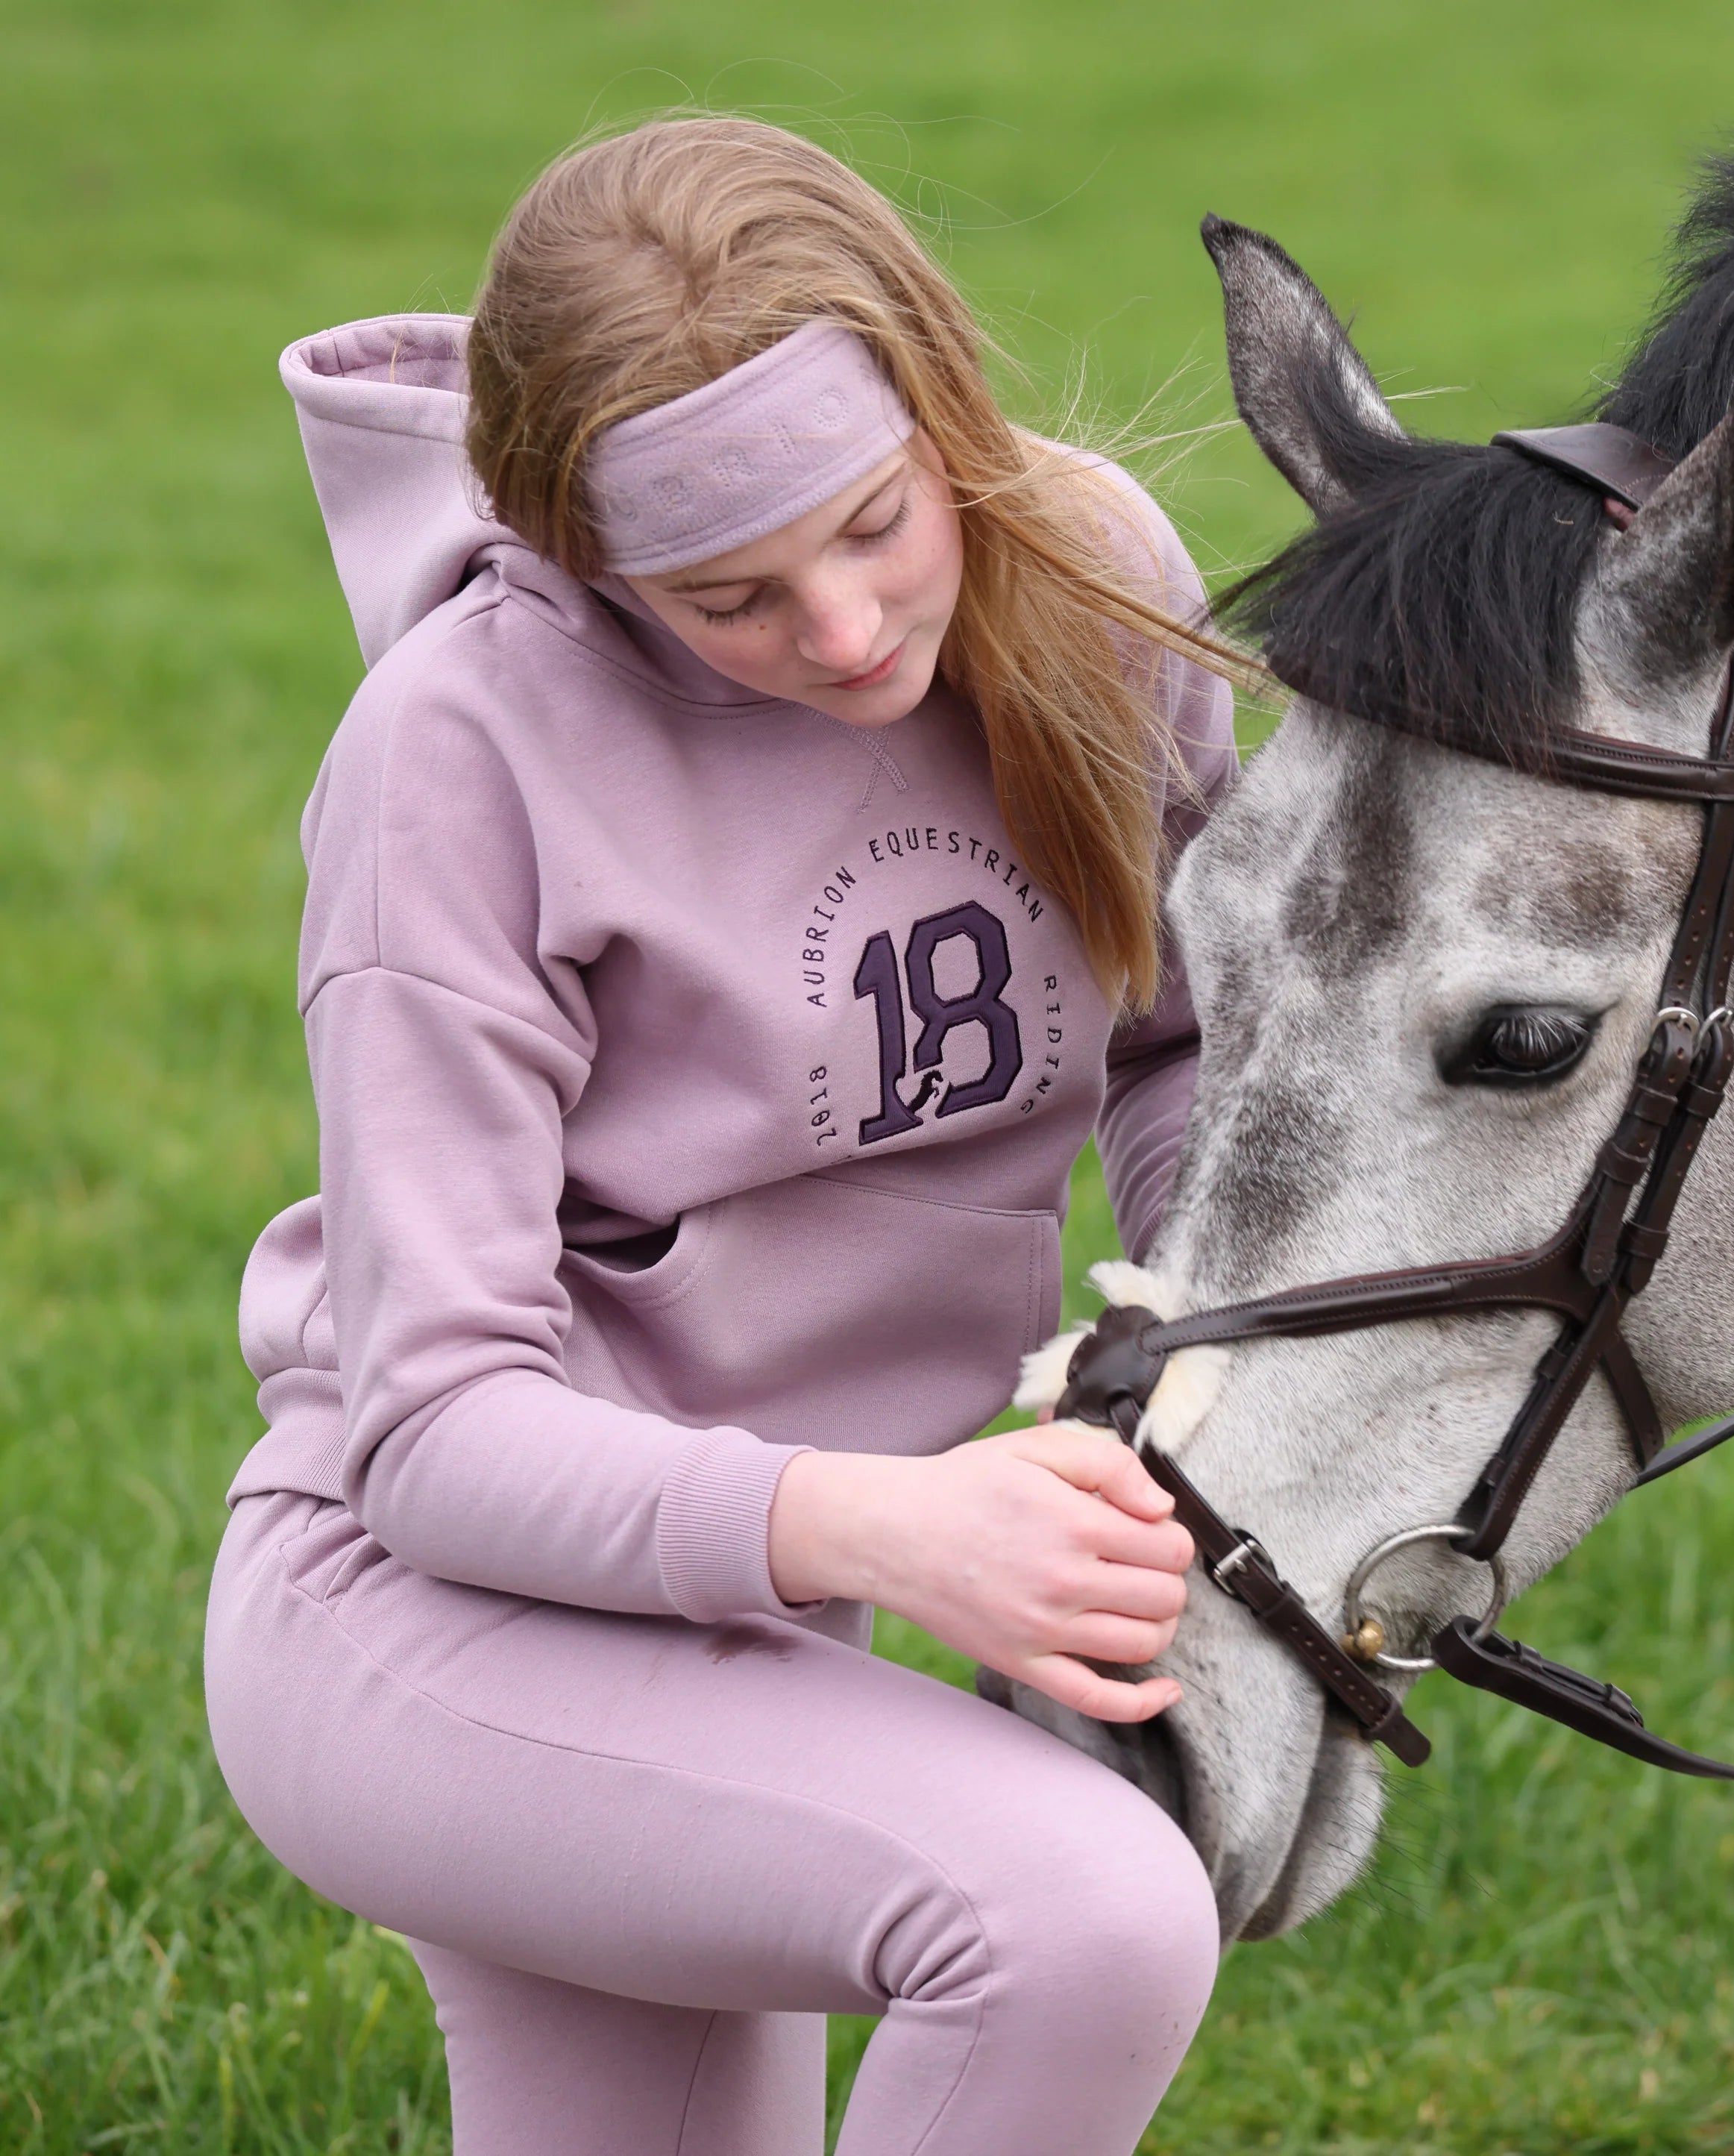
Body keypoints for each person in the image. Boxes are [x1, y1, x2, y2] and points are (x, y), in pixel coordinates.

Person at [203, 115, 1242, 2156]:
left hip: (738, 1628)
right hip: (438, 1624)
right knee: (1076, 1917)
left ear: (941, 409)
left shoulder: (1091, 582)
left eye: (875, 525)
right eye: (727, 594)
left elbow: (1187, 1045)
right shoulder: (458, 750)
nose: (845, 630)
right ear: (583, 561)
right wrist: (893, 1524)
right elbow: (429, 1429)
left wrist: (1207, 1401)